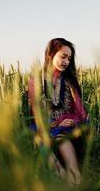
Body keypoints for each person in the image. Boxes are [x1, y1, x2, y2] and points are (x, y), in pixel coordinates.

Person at [28, 38, 88, 185]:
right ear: (51, 54)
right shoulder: (35, 81)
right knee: (43, 139)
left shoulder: (70, 83)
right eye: (63, 56)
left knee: (62, 138)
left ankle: (75, 177)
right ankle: (61, 176)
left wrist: (71, 121)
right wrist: (54, 124)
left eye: (69, 58)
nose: (66, 61)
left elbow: (81, 113)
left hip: (66, 130)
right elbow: (35, 115)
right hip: (44, 128)